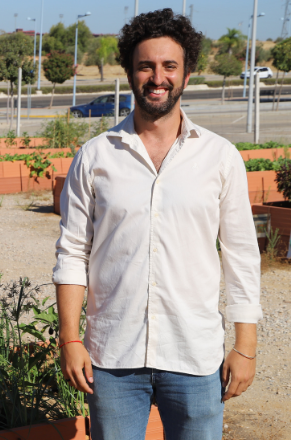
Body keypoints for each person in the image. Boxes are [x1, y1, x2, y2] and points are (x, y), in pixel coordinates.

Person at [53, 9, 261, 439]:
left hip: (194, 356)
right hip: (112, 358)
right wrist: (70, 340)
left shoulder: (220, 157)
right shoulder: (95, 156)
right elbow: (72, 252)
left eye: (169, 66)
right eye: (146, 65)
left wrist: (246, 347)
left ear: (186, 75)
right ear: (131, 71)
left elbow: (242, 256)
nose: (157, 77)